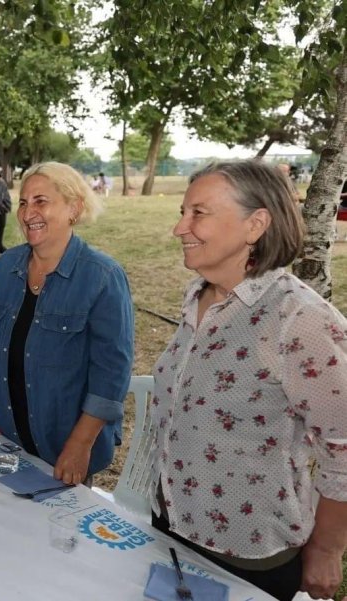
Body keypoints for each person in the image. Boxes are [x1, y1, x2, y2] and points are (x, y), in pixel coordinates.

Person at [149, 161, 347, 601]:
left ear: (255, 224)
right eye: (183, 211)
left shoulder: (300, 320)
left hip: (247, 553)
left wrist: (327, 550)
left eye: (198, 213)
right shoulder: (196, 294)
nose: (179, 227)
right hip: (172, 522)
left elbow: (344, 448)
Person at [0, 162, 134, 487]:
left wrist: (80, 444)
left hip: (64, 448)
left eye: (40, 201)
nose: (27, 212)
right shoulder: (4, 268)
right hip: (6, 438)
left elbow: (111, 373)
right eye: (23, 202)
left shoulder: (102, 277)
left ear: (73, 208)